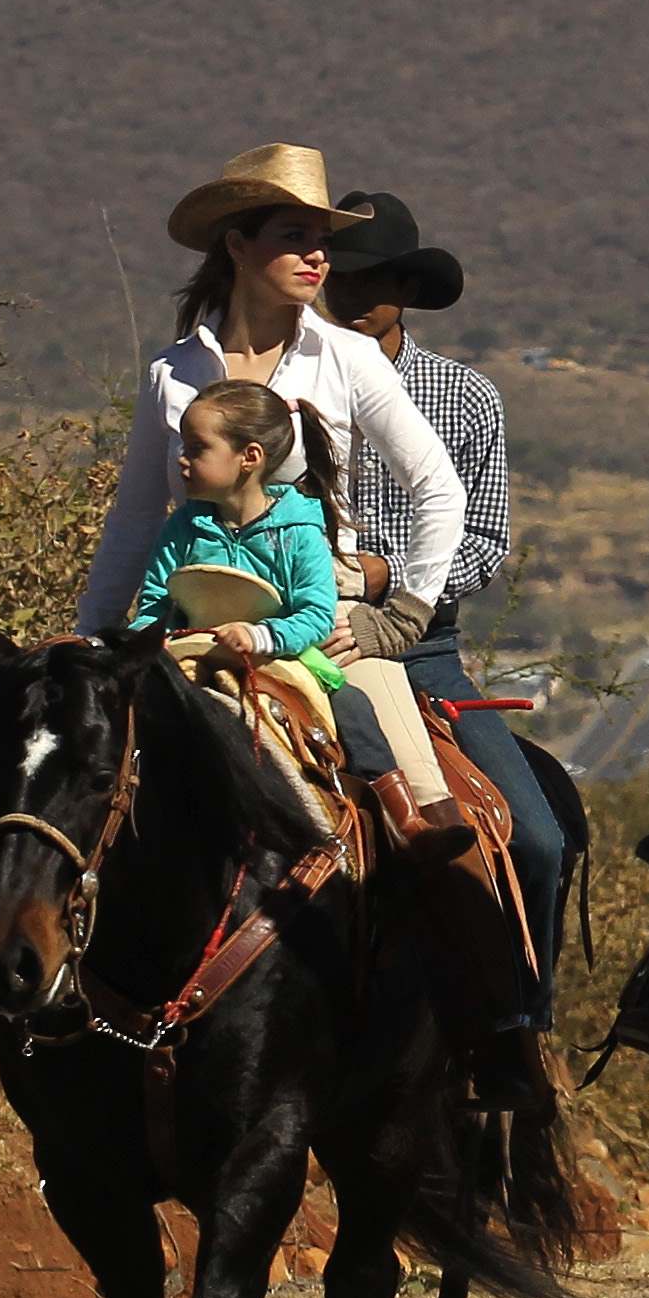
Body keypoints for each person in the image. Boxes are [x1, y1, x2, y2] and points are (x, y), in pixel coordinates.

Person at [73, 149, 470, 857]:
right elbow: (135, 518)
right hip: (188, 618)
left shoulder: (348, 357)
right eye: (294, 235)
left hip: (322, 620)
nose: (318, 255)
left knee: (430, 825)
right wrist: (98, 636)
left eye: (322, 240)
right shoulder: (173, 372)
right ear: (237, 244)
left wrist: (406, 614)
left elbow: (438, 485)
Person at [323, 191, 572, 1108]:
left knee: (537, 837)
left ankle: (516, 1030)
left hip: (425, 649)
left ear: (406, 291)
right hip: (307, 639)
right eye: (343, 274)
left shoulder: (464, 396)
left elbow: (485, 541)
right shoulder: (285, 384)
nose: (355, 294)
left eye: (376, 280)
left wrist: (389, 578)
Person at [129, 380, 345, 663]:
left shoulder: (299, 533)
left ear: (250, 457)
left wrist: (259, 636)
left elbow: (316, 615)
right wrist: (152, 639)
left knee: (352, 704)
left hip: (280, 659)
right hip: (188, 658)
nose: (182, 459)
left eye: (197, 448)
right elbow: (156, 604)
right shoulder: (182, 526)